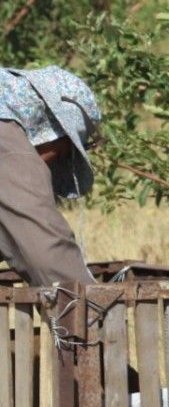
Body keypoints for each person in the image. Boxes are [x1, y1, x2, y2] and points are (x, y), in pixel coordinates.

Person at [0, 65, 101, 287]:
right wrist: (101, 315)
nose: (53, 164)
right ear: (53, 131)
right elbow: (48, 250)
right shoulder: (6, 138)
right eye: (63, 152)